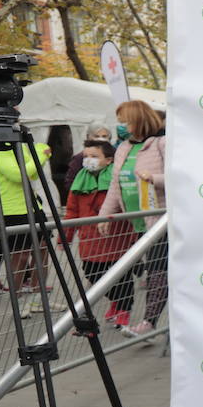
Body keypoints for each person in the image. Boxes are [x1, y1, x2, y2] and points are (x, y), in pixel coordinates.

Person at [99, 100, 166, 337]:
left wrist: (155, 179)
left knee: (158, 271)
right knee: (154, 270)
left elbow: (183, 177)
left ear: (139, 119)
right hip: (138, 220)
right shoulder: (123, 148)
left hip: (162, 221)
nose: (122, 126)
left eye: (125, 121)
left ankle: (148, 323)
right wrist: (105, 215)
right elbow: (115, 187)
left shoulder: (162, 143)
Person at [61, 140, 137, 327]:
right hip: (89, 240)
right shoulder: (80, 179)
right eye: (86, 156)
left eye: (94, 156)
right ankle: (116, 301)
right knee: (92, 274)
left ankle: (123, 310)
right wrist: (66, 236)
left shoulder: (117, 179)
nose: (88, 160)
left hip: (116, 237)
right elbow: (72, 211)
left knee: (122, 277)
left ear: (109, 160)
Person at [0, 140, 52, 298]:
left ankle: (38, 298)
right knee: (21, 255)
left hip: (33, 206)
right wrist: (40, 153)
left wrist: (40, 157)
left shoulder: (16, 142)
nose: (16, 122)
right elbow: (19, 175)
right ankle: (16, 301)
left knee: (42, 250)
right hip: (11, 210)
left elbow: (33, 173)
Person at [63, 122, 111, 195]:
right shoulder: (79, 158)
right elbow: (70, 182)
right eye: (96, 136)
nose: (100, 139)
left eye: (104, 136)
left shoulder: (117, 155)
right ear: (88, 137)